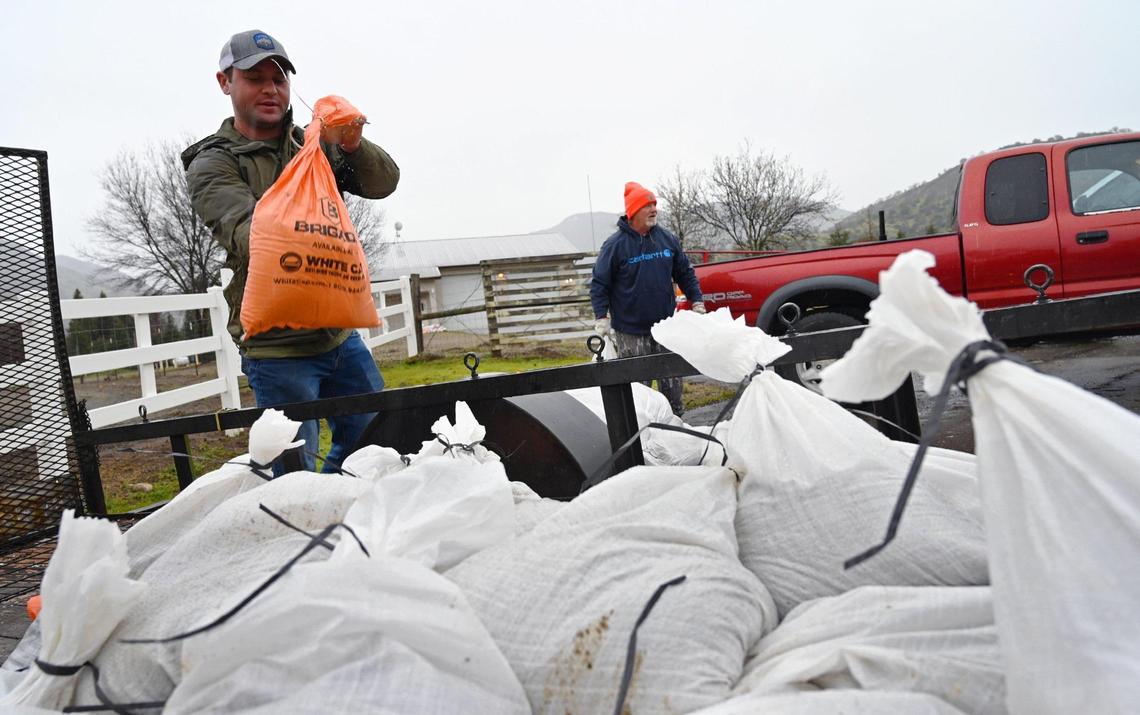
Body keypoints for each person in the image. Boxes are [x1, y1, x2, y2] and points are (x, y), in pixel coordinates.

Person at [181, 29, 400, 473]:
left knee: (377, 445)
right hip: (277, 349)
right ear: (225, 83)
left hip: (338, 334)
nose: (270, 89)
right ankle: (306, 531)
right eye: (254, 78)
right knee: (293, 472)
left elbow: (383, 183)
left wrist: (353, 144)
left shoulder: (310, 145)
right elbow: (251, 236)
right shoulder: (214, 163)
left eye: (279, 79)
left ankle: (349, 514)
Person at [590, 182, 705, 416]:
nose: (654, 209)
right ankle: (644, 441)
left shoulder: (666, 239)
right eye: (647, 205)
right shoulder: (615, 246)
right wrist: (601, 316)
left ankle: (678, 434)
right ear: (633, 212)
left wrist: (697, 300)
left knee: (672, 390)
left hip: (667, 328)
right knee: (639, 394)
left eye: (655, 204)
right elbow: (600, 283)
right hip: (631, 332)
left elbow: (684, 272)